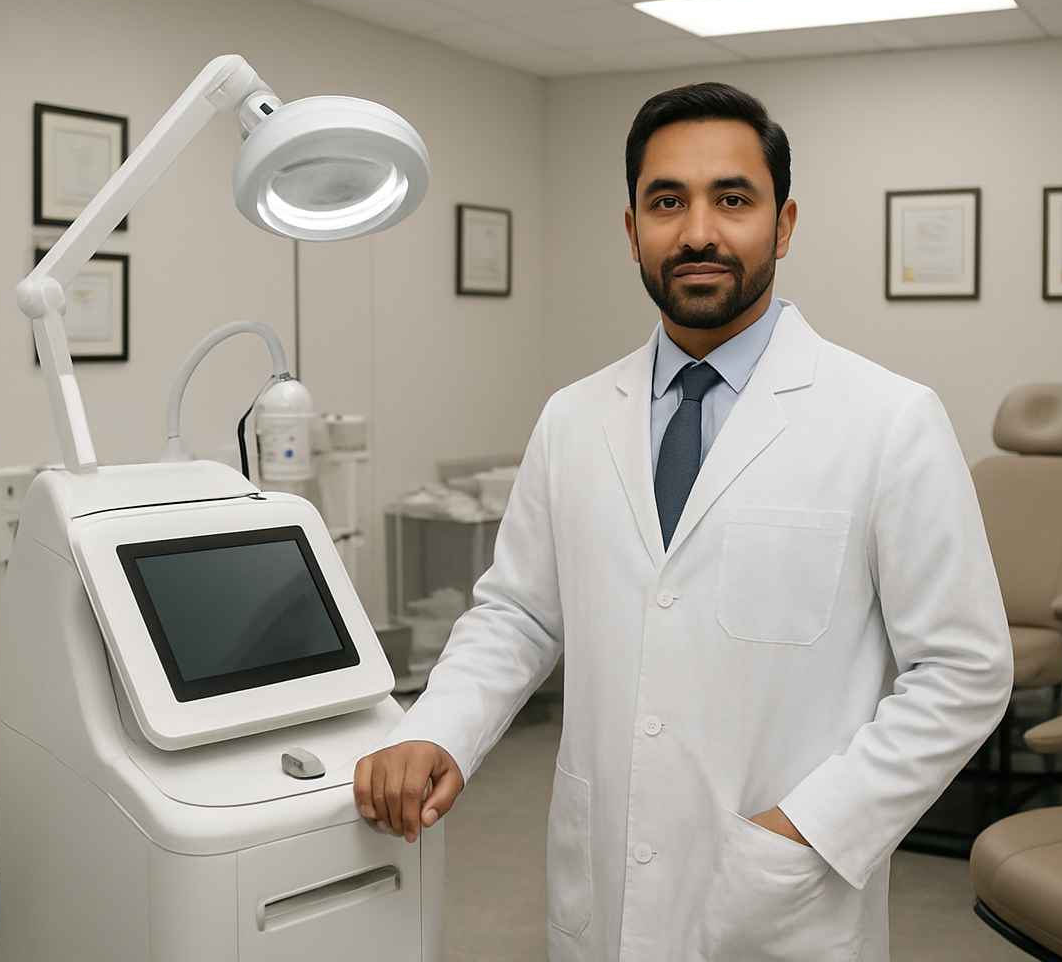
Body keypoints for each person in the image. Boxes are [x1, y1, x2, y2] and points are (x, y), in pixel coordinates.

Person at [355, 82, 1014, 961]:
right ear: (632, 229)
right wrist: (437, 726)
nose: (698, 230)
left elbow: (963, 670)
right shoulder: (574, 416)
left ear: (782, 225)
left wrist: (810, 827)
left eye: (731, 199)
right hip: (605, 880)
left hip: (780, 890)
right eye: (667, 201)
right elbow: (519, 612)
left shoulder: (888, 419)